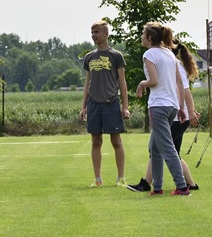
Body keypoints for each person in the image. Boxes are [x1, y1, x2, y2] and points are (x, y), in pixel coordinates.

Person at [127, 41, 200, 192]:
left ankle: (151, 183)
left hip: (177, 116)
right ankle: (190, 184)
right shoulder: (171, 62)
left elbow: (185, 89)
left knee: (163, 148)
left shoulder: (174, 63)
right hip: (178, 114)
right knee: (166, 149)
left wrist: (190, 111)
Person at [134, 22, 190, 196]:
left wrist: (142, 84)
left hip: (158, 105)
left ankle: (182, 186)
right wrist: (181, 107)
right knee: (155, 147)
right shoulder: (169, 54)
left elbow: (154, 81)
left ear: (150, 38)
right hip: (172, 105)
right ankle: (157, 188)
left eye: (143, 34)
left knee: (166, 146)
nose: (142, 37)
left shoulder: (149, 54)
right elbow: (178, 83)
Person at [79, 21, 130, 187]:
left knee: (116, 141)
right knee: (96, 142)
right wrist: (83, 107)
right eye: (92, 32)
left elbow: (122, 82)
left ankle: (120, 177)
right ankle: (98, 179)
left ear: (106, 34)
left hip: (111, 103)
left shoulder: (116, 56)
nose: (94, 35)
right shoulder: (89, 57)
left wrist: (125, 106)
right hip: (94, 104)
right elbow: (87, 83)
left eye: (97, 32)